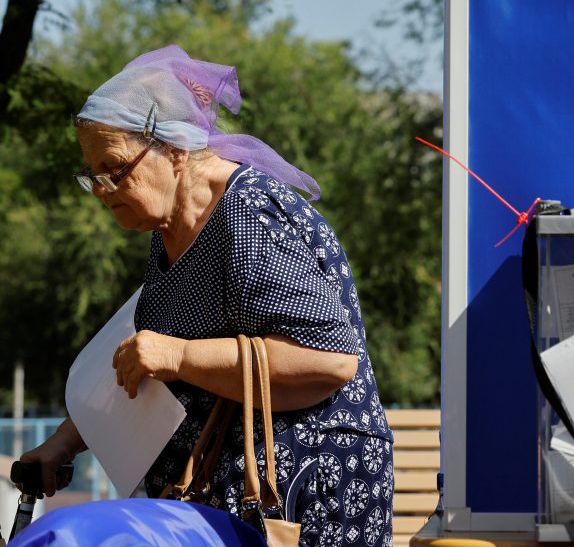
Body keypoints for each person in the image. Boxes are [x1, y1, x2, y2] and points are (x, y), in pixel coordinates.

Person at [18, 46, 394, 547]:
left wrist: (178, 354)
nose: (102, 190)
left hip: (308, 497)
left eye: (114, 169)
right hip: (227, 498)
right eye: (92, 175)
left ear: (174, 151)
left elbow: (331, 360)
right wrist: (63, 444)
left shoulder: (249, 214)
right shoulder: (169, 226)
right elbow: (147, 371)